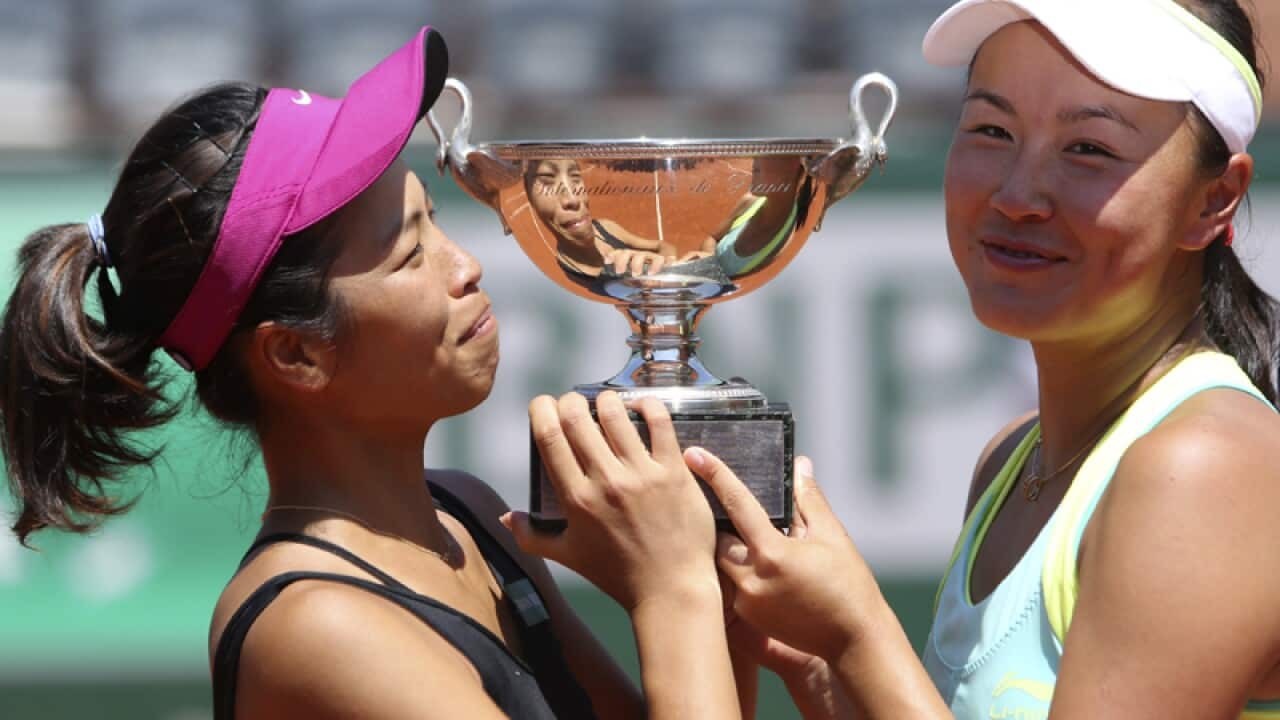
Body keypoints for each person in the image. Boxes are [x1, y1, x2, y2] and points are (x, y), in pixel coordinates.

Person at [505, 0, 1280, 717]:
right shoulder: (1012, 460)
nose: (1018, 193)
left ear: (1214, 201)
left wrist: (857, 633)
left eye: (1088, 148)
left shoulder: (1204, 467)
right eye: (990, 131)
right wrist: (806, 657)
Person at [0, 28, 744, 720]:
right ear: (297, 354)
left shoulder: (471, 516)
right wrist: (671, 589)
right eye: (410, 253)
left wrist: (724, 587)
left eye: (435, 221)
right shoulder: (315, 625)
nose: (467, 267)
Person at [523, 158, 672, 277]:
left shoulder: (605, 228)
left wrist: (665, 266)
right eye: (547, 180)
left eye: (575, 178)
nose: (573, 199)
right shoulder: (562, 275)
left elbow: (663, 246)